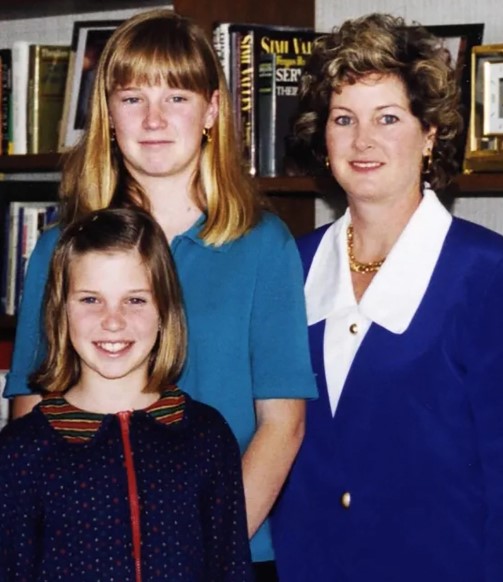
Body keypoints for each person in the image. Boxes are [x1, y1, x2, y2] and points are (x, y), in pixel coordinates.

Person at [3, 9, 317, 579]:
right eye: (131, 98)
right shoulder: (59, 248)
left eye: (175, 97)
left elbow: (283, 424)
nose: (152, 119)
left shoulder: (264, 244)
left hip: (229, 551)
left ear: (212, 111)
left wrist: (199, 552)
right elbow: (33, 413)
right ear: (107, 114)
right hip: (84, 562)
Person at [271, 13, 503, 582]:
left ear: (429, 134)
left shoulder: (488, 274)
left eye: (388, 118)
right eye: (343, 118)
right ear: (322, 138)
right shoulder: (287, 267)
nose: (362, 140)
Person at [0, 207, 253, 580]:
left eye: (135, 300)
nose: (113, 320)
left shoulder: (206, 436)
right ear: (60, 311)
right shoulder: (22, 451)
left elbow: (231, 568)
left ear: (164, 311)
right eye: (90, 300)